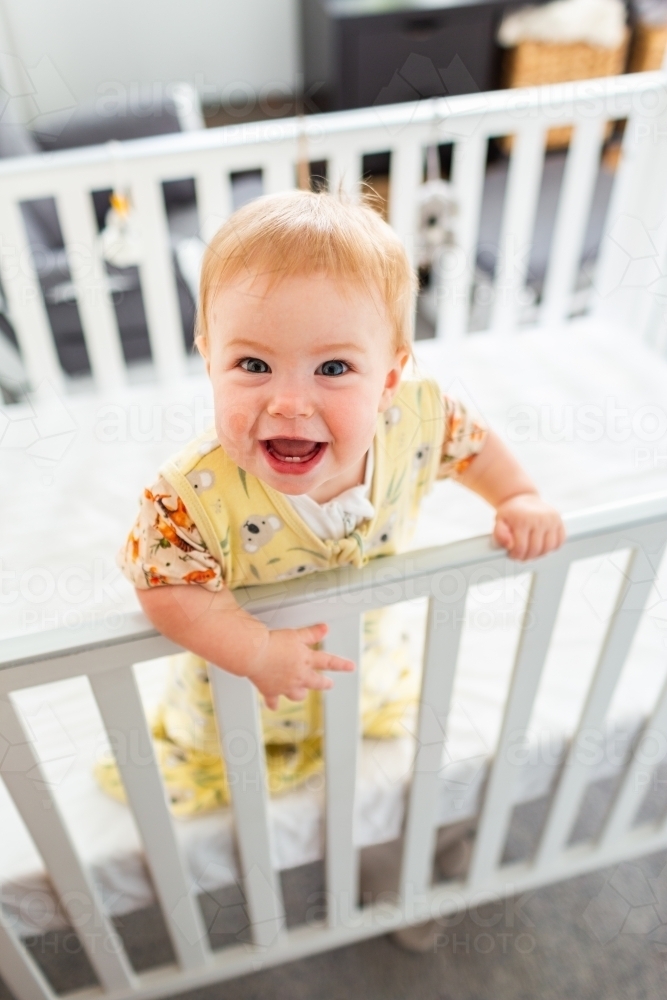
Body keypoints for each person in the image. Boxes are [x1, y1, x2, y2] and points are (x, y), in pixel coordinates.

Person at [100, 190, 565, 817]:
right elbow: (164, 585)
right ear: (209, 357)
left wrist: (518, 495)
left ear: (390, 380)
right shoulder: (187, 496)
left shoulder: (418, 418)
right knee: (232, 774)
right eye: (254, 363)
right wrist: (257, 653)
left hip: (365, 664)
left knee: (367, 708)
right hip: (240, 699)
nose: (291, 402)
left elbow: (472, 446)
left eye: (335, 368)